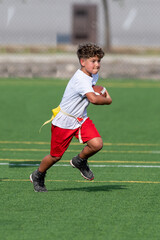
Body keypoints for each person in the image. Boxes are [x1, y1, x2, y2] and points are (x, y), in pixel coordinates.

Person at [30, 43, 112, 192]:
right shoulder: (80, 79)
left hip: (81, 119)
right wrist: (107, 99)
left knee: (97, 144)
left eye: (99, 61)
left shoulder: (93, 75)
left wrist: (98, 90)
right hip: (64, 121)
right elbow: (93, 99)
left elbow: (92, 90)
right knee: (55, 156)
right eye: (93, 61)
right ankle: (38, 174)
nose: (97, 64)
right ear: (82, 62)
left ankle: (79, 160)